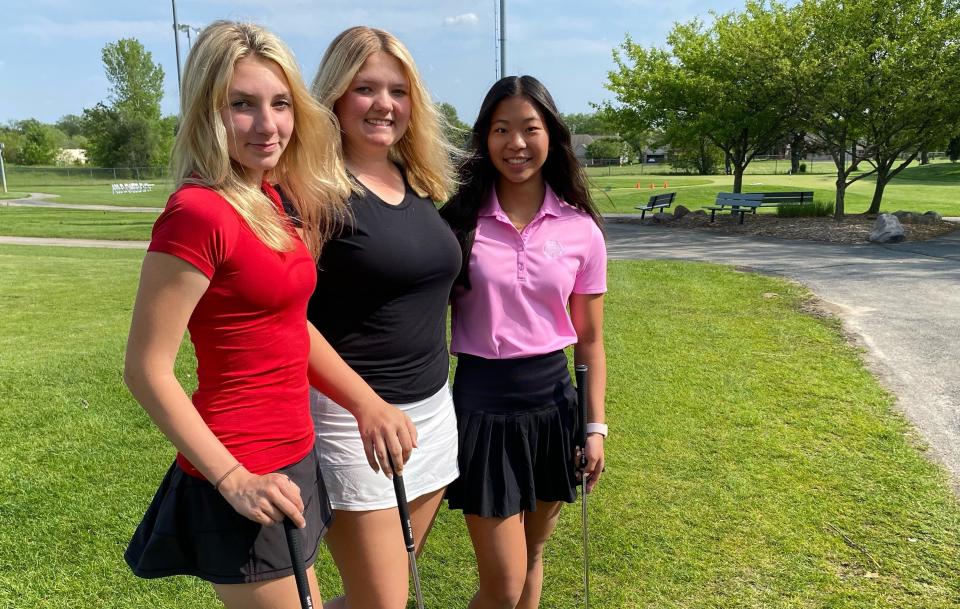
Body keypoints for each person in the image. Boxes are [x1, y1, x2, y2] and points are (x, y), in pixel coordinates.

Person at [122, 20, 415, 608]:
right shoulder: (197, 213)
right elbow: (146, 369)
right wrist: (232, 478)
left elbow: (288, 327)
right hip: (240, 471)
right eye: (242, 105)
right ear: (209, 111)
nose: (268, 124)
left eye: (280, 103)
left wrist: (367, 403)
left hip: (296, 454)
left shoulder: (273, 197)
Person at [302, 26, 461, 609]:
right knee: (384, 601)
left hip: (432, 416)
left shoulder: (418, 180)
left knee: (383, 593)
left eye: (397, 90)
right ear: (336, 98)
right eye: (365, 88)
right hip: (356, 422)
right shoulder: (313, 189)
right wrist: (366, 405)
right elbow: (286, 315)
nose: (383, 104)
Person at [439, 75, 608, 609]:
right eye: (501, 129)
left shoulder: (581, 229)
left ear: (551, 136)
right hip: (481, 404)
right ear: (484, 139)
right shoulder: (458, 222)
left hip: (553, 404)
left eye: (529, 129)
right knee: (503, 581)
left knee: (534, 557)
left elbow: (591, 341)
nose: (516, 143)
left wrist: (595, 426)